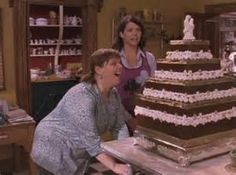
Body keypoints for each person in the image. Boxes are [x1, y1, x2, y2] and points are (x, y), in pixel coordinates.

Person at [31, 48, 132, 175]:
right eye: (113, 63)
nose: (120, 66)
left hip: (77, 150)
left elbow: (119, 125)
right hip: (53, 147)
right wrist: (114, 166)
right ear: (98, 69)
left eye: (120, 62)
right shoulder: (82, 95)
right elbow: (90, 140)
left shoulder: (113, 94)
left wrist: (125, 156)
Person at [113, 15, 157, 135]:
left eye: (138, 30)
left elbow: (154, 90)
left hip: (144, 114)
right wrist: (130, 119)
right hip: (118, 115)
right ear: (122, 34)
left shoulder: (149, 58)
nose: (135, 34)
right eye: (130, 30)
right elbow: (110, 97)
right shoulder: (114, 59)